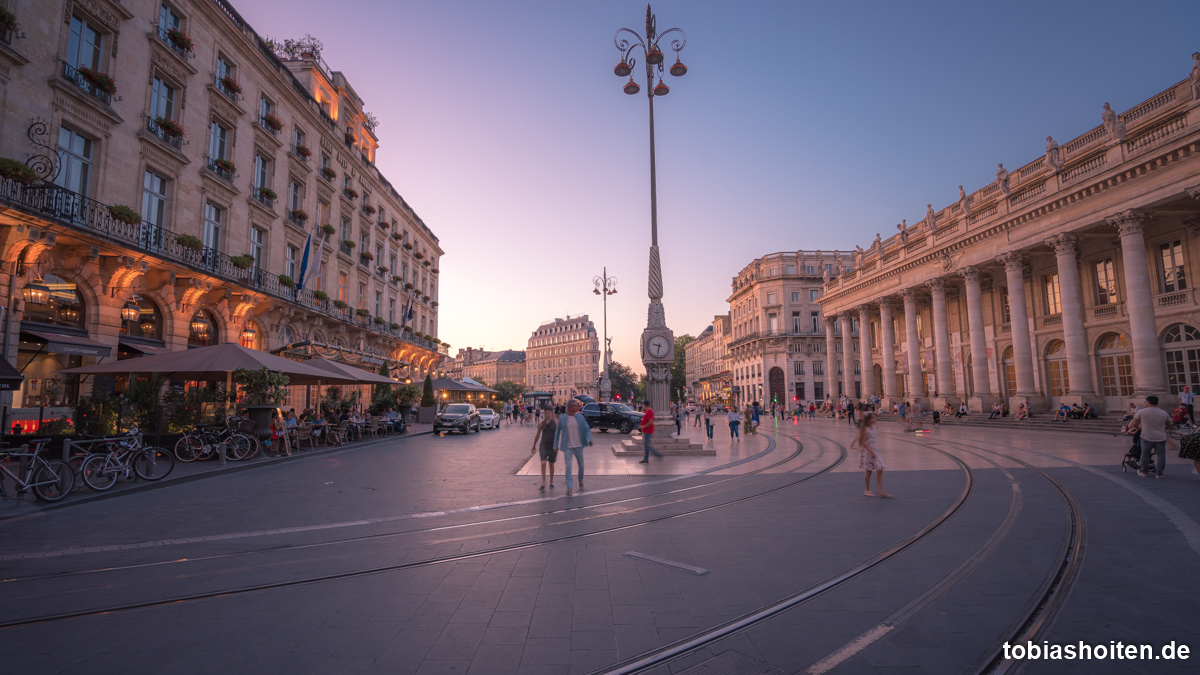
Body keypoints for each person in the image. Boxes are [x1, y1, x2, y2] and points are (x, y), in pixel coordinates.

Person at [1128, 395, 1172, 479]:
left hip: (1146, 436)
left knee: (1145, 454)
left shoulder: (1141, 412)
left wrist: (1140, 428)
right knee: (1161, 455)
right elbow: (1168, 425)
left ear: (1148, 402)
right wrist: (1160, 427)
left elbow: (1135, 424)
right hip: (1160, 437)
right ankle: (1159, 474)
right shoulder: (1163, 412)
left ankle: (1144, 472)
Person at [852, 411, 890, 498]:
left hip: (874, 449)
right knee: (869, 471)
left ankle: (880, 490)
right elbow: (863, 442)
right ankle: (867, 490)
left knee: (880, 467)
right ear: (868, 420)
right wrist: (870, 451)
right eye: (872, 418)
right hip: (867, 451)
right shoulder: (865, 429)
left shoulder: (873, 427)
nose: (874, 419)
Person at [531, 405, 558, 491]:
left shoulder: (556, 422)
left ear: (551, 413)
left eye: (549, 413)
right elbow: (538, 435)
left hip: (552, 446)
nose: (547, 415)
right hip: (543, 445)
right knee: (543, 463)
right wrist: (534, 445)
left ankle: (551, 481)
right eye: (546, 413)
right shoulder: (541, 423)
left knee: (551, 464)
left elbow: (558, 435)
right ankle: (543, 482)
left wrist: (557, 445)